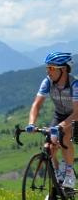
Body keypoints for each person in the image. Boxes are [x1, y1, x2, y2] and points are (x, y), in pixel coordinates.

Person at [26, 52, 77, 189]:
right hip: (59, 115)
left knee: (65, 139)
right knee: (48, 146)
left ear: (64, 69)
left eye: (52, 68)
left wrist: (61, 126)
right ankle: (57, 175)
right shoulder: (47, 81)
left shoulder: (74, 85)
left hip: (74, 117)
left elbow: (77, 113)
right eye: (47, 68)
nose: (48, 71)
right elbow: (36, 104)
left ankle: (69, 173)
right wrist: (31, 123)